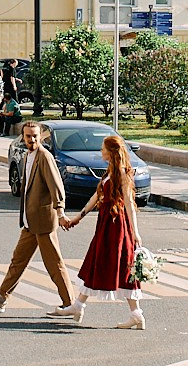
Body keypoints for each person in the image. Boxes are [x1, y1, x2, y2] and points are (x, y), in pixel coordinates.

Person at [0, 122, 75, 316]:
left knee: (54, 264)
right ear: (23, 137)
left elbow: (57, 186)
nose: (32, 140)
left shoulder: (44, 157)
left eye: (35, 136)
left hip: (43, 222)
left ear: (41, 137)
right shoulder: (27, 155)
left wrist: (60, 211)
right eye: (28, 136)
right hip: (30, 221)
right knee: (18, 261)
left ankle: (70, 303)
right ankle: (1, 297)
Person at [53, 134, 145, 329]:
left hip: (117, 225)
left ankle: (81, 306)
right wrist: (78, 217)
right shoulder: (110, 172)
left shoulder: (121, 173)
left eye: (103, 148)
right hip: (106, 224)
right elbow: (96, 196)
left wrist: (135, 232)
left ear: (111, 152)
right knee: (100, 262)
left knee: (116, 265)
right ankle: (132, 313)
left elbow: (129, 203)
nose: (100, 151)